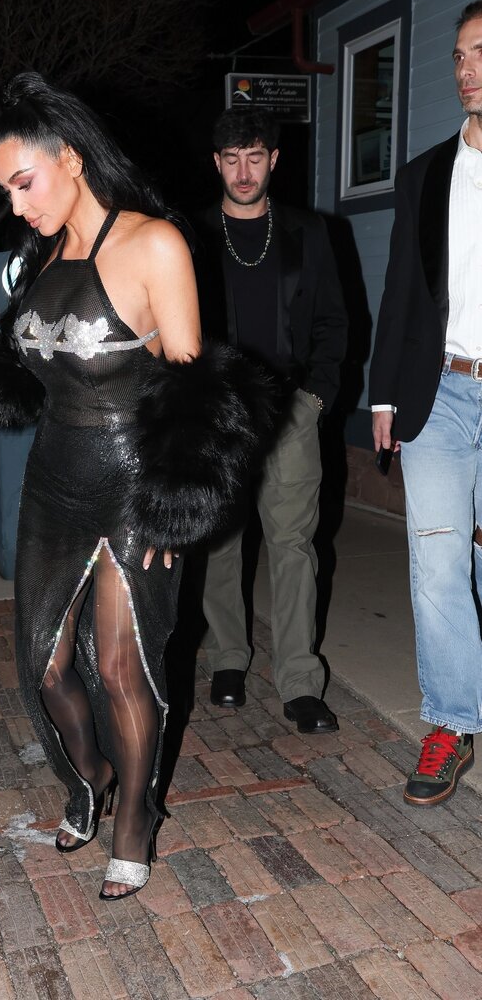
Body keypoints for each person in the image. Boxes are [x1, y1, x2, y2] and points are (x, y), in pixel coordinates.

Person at [0, 73, 274, 898]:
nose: (16, 204)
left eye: (24, 183)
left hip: (133, 483)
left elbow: (199, 393)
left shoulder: (154, 244)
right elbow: (24, 367)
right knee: (43, 664)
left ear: (71, 161)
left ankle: (134, 818)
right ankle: (90, 775)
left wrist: (173, 511)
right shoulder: (40, 258)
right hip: (54, 482)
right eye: (6, 190)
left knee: (119, 666)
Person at [195, 108, 347, 733]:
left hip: (289, 410)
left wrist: (314, 399)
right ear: (216, 163)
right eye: (231, 159)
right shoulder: (193, 236)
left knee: (293, 545)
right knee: (220, 543)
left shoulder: (309, 233)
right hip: (220, 413)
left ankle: (299, 682)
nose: (243, 172)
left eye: (254, 157)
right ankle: (228, 658)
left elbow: (334, 322)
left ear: (273, 160)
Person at [370, 0, 482, 806]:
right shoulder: (425, 175)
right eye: (459, 56)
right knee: (438, 563)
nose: (466, 69)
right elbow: (400, 292)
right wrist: (382, 393)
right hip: (437, 391)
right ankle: (450, 722)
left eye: (481, 52)